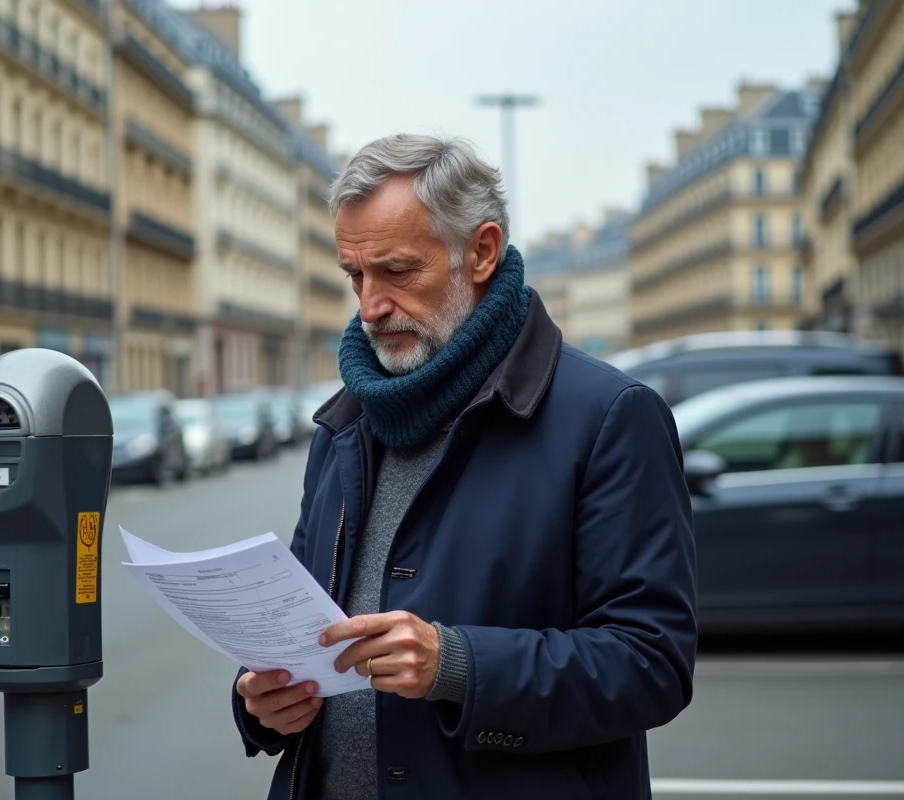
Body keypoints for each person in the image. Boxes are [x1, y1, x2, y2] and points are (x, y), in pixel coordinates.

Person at [230, 133, 697, 799]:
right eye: (355, 276)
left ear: (480, 252)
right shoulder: (344, 424)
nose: (369, 307)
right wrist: (260, 702)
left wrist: (457, 665)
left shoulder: (610, 417)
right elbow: (304, 629)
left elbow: (652, 663)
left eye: (396, 271)